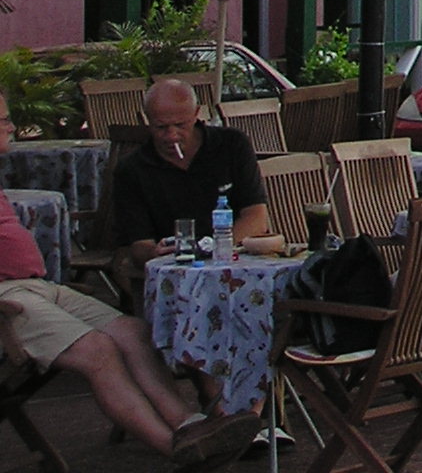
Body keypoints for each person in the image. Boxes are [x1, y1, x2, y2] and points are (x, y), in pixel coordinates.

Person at [0, 92, 263, 468]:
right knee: (98, 351)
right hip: (8, 298)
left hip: (39, 287)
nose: (11, 126)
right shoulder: (135, 169)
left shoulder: (229, 145)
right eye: (4, 120)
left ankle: (190, 425)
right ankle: (176, 450)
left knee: (134, 332)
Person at [112, 81, 271, 268]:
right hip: (174, 266)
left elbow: (255, 216)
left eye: (181, 125)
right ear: (147, 120)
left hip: (235, 258)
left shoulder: (231, 145)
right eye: (160, 127)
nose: (172, 135)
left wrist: (216, 250)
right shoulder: (132, 169)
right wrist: (154, 253)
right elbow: (138, 243)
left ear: (196, 114)